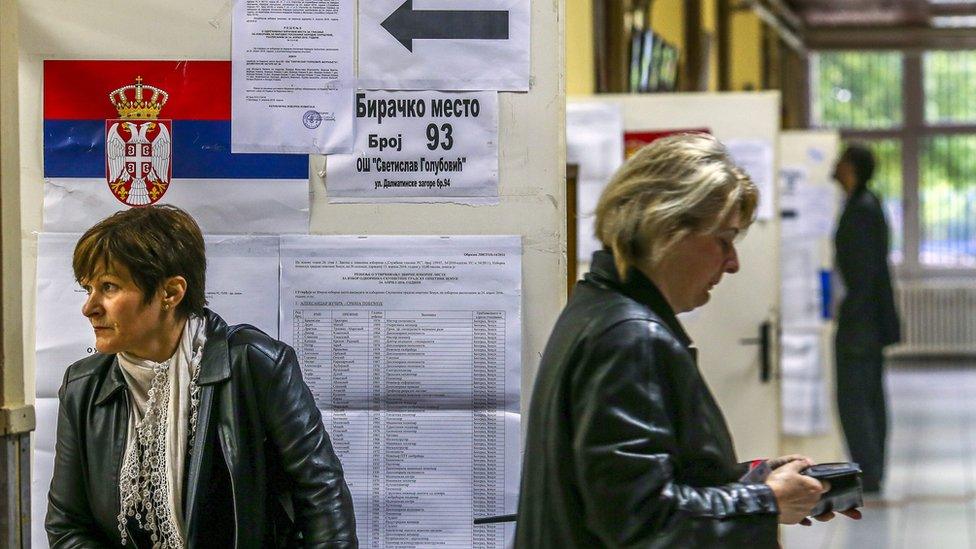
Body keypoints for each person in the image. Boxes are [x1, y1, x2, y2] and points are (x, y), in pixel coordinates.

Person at [515, 133, 858, 548]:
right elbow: (643, 519)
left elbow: (640, 481)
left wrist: (752, 480)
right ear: (667, 228)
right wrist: (765, 501)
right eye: (723, 240)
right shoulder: (630, 338)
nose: (732, 263)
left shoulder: (597, 308)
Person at [46, 205, 358, 548]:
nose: (89, 307)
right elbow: (67, 527)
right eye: (87, 288)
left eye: (108, 287)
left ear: (171, 293)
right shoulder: (82, 387)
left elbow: (322, 496)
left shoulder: (256, 364)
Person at [833, 144, 901, 494]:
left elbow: (862, 274)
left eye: (841, 161)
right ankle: (872, 468)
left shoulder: (860, 210)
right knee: (868, 395)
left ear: (852, 167)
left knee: (856, 397)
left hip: (861, 323)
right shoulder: (865, 205)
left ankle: (869, 469)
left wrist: (850, 318)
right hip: (868, 320)